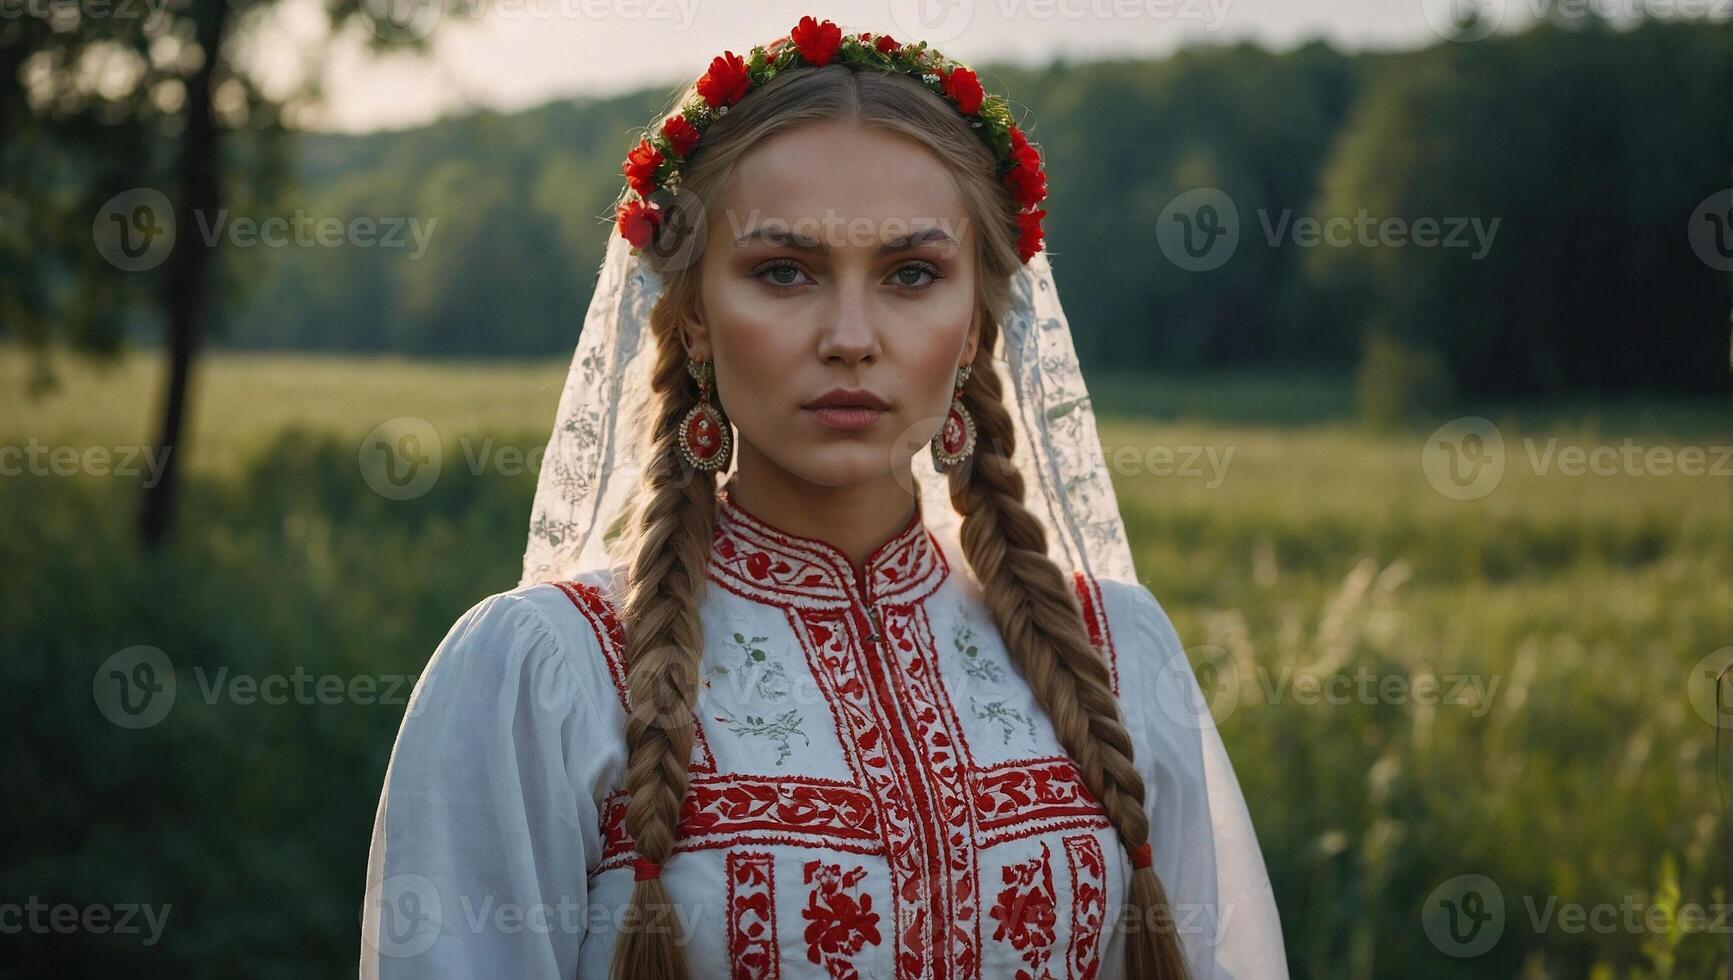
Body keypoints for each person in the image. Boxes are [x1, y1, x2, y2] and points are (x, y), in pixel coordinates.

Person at [360, 16, 1289, 979]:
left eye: (911, 274)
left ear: (974, 326)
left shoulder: (1116, 656)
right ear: (692, 320)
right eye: (783, 272)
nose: (851, 335)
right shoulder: (547, 678)